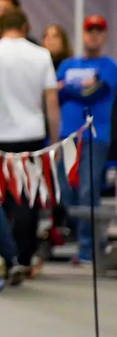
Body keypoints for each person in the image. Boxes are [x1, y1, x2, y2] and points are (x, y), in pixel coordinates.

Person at [0, 8, 59, 284]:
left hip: (3, 133)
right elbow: (50, 101)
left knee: (3, 196)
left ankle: (5, 255)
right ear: (26, 25)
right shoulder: (41, 55)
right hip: (32, 132)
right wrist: (53, 140)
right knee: (27, 197)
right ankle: (26, 258)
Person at [56, 15, 116, 264]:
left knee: (87, 190)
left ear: (104, 36)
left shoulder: (109, 66)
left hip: (95, 136)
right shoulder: (67, 64)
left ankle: (88, 247)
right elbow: (54, 94)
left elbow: (96, 92)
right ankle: (75, 236)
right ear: (82, 34)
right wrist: (80, 88)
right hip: (66, 136)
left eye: (98, 31)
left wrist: (70, 88)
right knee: (64, 189)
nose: (93, 35)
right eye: (89, 30)